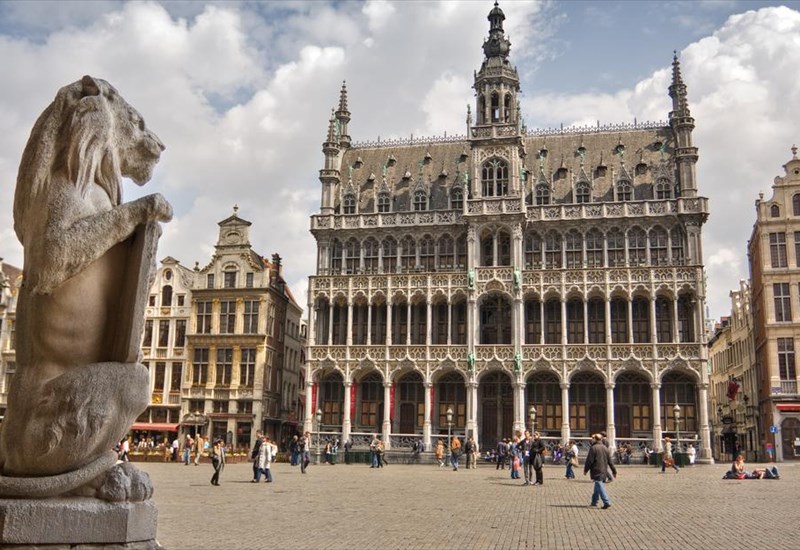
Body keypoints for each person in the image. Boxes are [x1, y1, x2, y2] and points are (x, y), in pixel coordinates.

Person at [584, 433, 617, 509]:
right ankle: (594, 502)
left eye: (593, 438)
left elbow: (589, 461)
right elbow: (610, 461)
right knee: (597, 486)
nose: (592, 440)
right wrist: (614, 471)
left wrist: (586, 470)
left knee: (599, 484)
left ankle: (606, 502)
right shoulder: (605, 448)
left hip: (596, 470)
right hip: (604, 470)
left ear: (595, 439)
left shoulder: (593, 448)